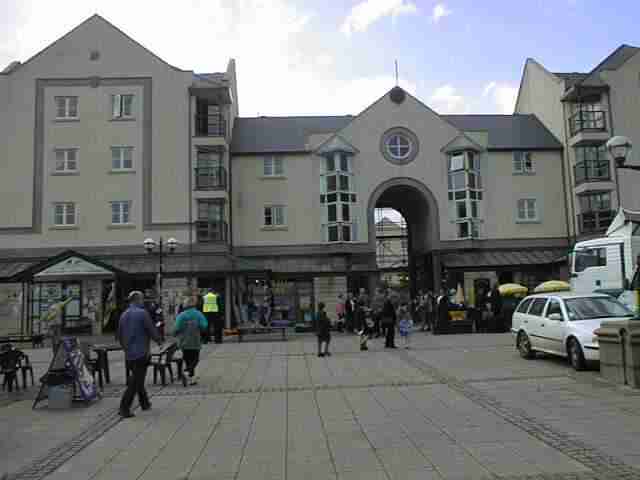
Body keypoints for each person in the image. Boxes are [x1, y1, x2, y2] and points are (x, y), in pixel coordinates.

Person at [117, 291, 162, 418]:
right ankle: (124, 408)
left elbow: (119, 335)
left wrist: (125, 348)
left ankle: (145, 403)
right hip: (141, 352)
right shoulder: (142, 313)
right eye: (142, 299)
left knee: (138, 378)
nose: (143, 302)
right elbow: (151, 329)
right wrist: (158, 340)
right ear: (137, 300)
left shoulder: (124, 315)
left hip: (129, 354)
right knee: (135, 381)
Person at [173, 295, 208, 385]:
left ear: (185, 305)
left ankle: (191, 377)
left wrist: (175, 334)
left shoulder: (181, 315)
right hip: (195, 340)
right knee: (195, 359)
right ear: (193, 305)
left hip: (184, 341)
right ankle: (187, 372)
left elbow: (176, 328)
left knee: (187, 359)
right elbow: (204, 326)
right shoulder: (198, 314)